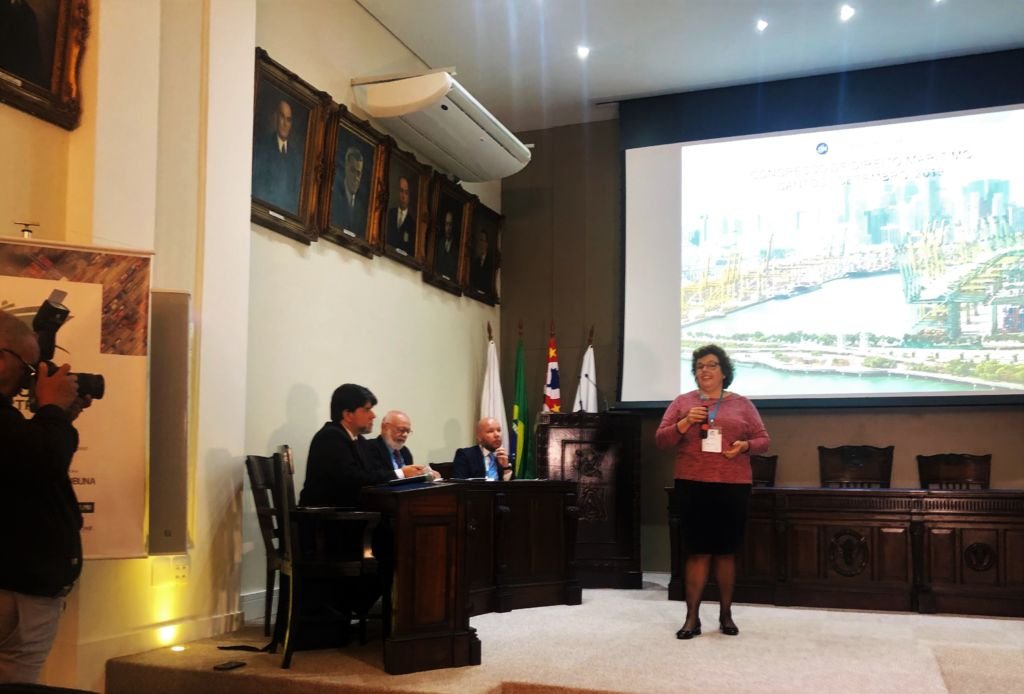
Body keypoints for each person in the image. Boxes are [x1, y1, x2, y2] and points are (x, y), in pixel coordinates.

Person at [654, 344, 769, 640]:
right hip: (693, 485)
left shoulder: (742, 404)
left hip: (733, 486)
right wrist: (684, 422)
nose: (704, 370)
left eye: (711, 365)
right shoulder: (682, 402)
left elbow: (763, 440)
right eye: (699, 366)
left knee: (726, 553)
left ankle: (725, 614)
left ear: (724, 372)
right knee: (697, 552)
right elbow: (662, 440)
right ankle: (691, 618)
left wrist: (745, 446)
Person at [0, 310, 91, 683]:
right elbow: (42, 460)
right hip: (15, 590)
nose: (29, 382)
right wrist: (52, 409)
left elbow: (21, 464)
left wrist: (57, 418)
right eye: (28, 368)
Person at [299, 385, 423, 509]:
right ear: (348, 414)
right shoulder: (331, 437)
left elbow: (373, 473)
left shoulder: (359, 440)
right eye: (367, 409)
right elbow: (352, 479)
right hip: (328, 515)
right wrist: (401, 473)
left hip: (352, 511)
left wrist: (419, 474)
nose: (373, 415)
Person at [251, 97, 303, 214]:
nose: (285, 124)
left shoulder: (296, 158)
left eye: (288, 120)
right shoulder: (261, 145)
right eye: (282, 117)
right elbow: (256, 186)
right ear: (276, 118)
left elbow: (296, 196)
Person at [366, 410, 440, 481]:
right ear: (385, 427)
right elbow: (372, 478)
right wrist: (402, 473)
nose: (405, 435)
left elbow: (410, 479)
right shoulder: (369, 448)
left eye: (408, 431)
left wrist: (425, 474)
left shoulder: (405, 451)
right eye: (401, 430)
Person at [330, 146, 367, 236]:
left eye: (358, 173)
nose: (356, 178)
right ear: (346, 168)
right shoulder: (333, 196)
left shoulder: (363, 206)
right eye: (353, 171)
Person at [385, 176, 415, 254]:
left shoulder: (412, 223)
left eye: (406, 193)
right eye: (401, 191)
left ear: (409, 196)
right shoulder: (390, 214)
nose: (403, 196)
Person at [433, 209, 460, 281]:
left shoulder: (457, 249)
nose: (448, 228)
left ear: (453, 226)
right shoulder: (439, 244)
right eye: (446, 224)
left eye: (450, 225)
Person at [468, 227, 492, 293]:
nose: (482, 243)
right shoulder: (476, 261)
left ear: (487, 243)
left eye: (483, 241)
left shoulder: (491, 262)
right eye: (480, 240)